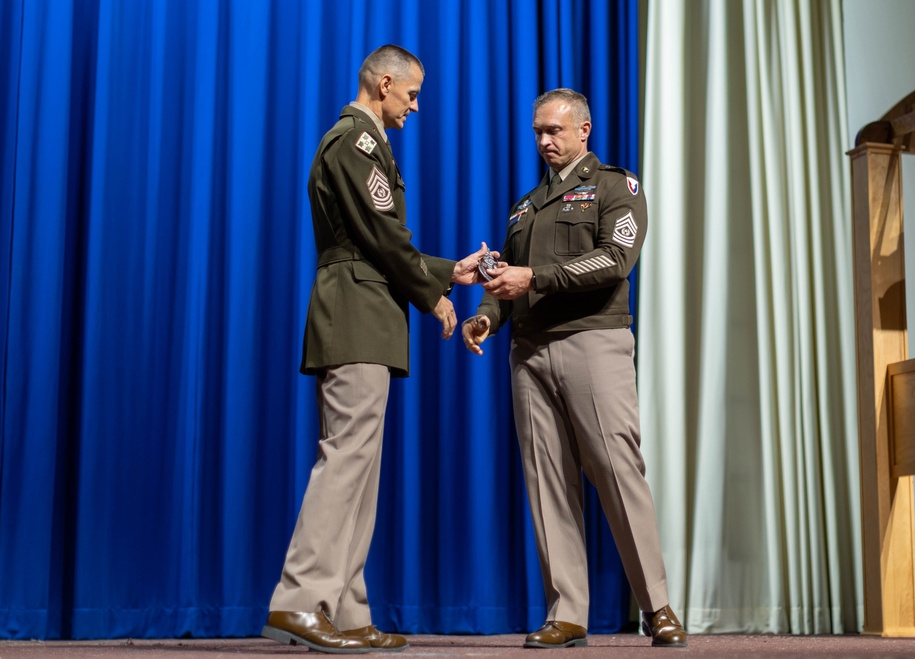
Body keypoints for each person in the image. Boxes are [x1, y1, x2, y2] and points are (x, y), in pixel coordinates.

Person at [262, 45, 494, 654]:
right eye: (412, 94)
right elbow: (385, 240)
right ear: (385, 83)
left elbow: (383, 242)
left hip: (367, 314)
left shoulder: (365, 144)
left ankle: (344, 608)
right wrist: (436, 293)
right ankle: (301, 599)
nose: (416, 106)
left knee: (358, 472)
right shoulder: (355, 143)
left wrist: (453, 272)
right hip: (357, 315)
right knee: (344, 463)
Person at [462, 88, 687, 649]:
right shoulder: (525, 205)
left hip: (594, 342)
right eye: (538, 131)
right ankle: (567, 613)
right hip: (528, 352)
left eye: (554, 131)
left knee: (616, 470)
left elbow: (615, 260)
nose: (543, 141)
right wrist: (488, 316)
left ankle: (657, 607)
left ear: (584, 130)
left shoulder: (616, 186)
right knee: (547, 484)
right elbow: (507, 281)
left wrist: (533, 278)